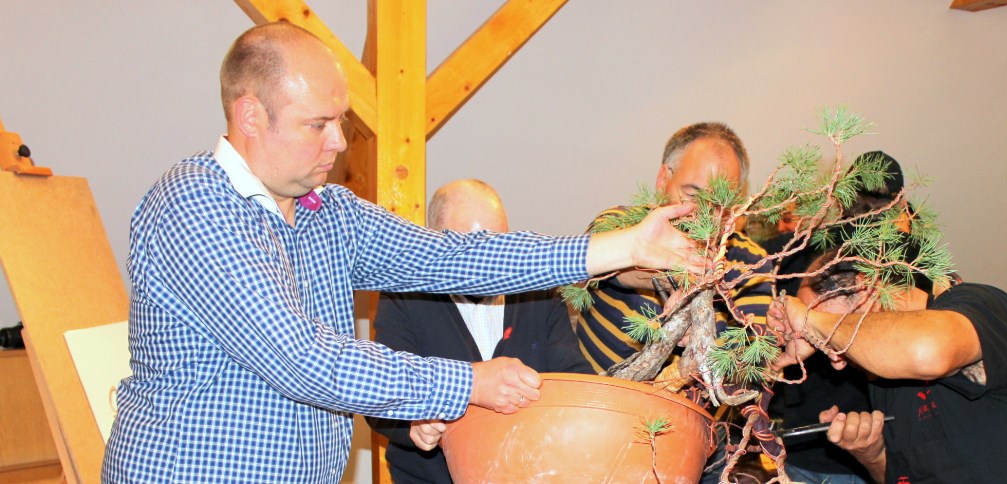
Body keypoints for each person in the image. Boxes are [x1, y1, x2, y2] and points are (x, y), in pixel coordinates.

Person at [101, 22, 704, 483]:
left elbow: (455, 258)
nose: (339, 143)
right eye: (318, 124)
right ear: (251, 116)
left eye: (341, 121)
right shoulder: (196, 204)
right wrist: (466, 382)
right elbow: (305, 360)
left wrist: (625, 245)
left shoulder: (327, 212)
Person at [365, 179, 594, 483]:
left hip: (529, 473)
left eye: (496, 243)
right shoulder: (403, 297)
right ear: (434, 241)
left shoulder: (538, 293)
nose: (485, 260)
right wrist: (412, 422)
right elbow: (378, 394)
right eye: (470, 247)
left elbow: (573, 378)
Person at [772, 250, 1007, 483]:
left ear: (866, 288)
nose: (837, 363)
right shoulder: (881, 378)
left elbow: (928, 352)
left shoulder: (979, 304)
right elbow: (899, 476)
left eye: (832, 330)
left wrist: (809, 321)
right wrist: (871, 453)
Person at [575, 122, 773, 374]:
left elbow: (750, 357)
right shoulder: (620, 225)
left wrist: (706, 343)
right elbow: (604, 265)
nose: (704, 215)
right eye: (692, 195)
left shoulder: (751, 262)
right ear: (663, 179)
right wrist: (674, 277)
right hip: (597, 396)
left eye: (720, 203)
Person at [768, 151, 910, 484]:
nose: (867, 212)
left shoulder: (905, 264)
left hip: (861, 448)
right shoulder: (904, 264)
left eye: (875, 202)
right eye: (866, 200)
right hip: (814, 442)